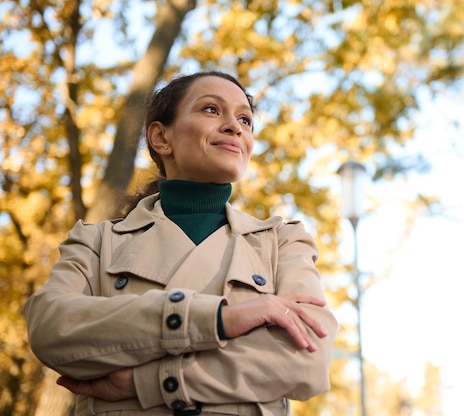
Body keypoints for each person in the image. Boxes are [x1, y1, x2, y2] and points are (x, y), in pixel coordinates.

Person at [24, 71, 338, 416]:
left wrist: (150, 381)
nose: (235, 127)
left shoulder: (283, 241)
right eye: (211, 110)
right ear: (161, 137)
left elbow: (307, 361)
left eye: (245, 119)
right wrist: (221, 319)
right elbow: (52, 330)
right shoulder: (97, 241)